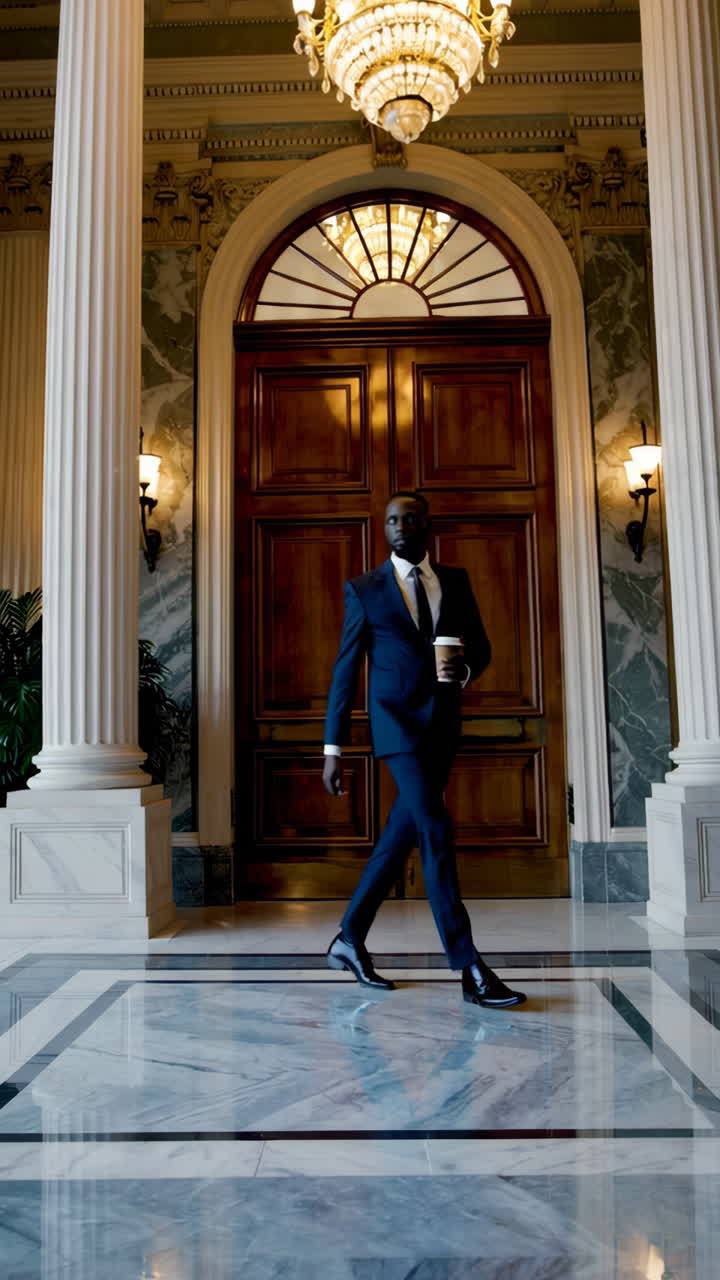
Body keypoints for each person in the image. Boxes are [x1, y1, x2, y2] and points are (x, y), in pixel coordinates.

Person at [322, 491, 526, 1009]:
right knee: (435, 830)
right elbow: (345, 672)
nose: (399, 526)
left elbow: (479, 647)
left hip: (442, 727)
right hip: (395, 731)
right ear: (384, 528)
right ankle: (469, 966)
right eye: (391, 519)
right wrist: (333, 745)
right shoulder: (364, 590)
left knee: (400, 838)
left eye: (409, 518)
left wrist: (467, 671)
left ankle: (349, 938)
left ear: (426, 524)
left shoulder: (454, 581)